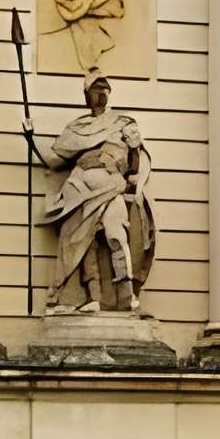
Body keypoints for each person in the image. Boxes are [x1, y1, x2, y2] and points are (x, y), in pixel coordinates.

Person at [36, 74, 156, 314]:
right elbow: (53, 160)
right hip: (79, 192)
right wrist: (30, 138)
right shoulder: (76, 129)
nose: (101, 94)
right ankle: (92, 296)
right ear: (87, 96)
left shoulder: (122, 123)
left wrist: (139, 186)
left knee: (116, 236)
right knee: (80, 243)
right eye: (95, 89)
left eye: (105, 89)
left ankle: (126, 295)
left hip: (111, 187)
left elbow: (140, 156)